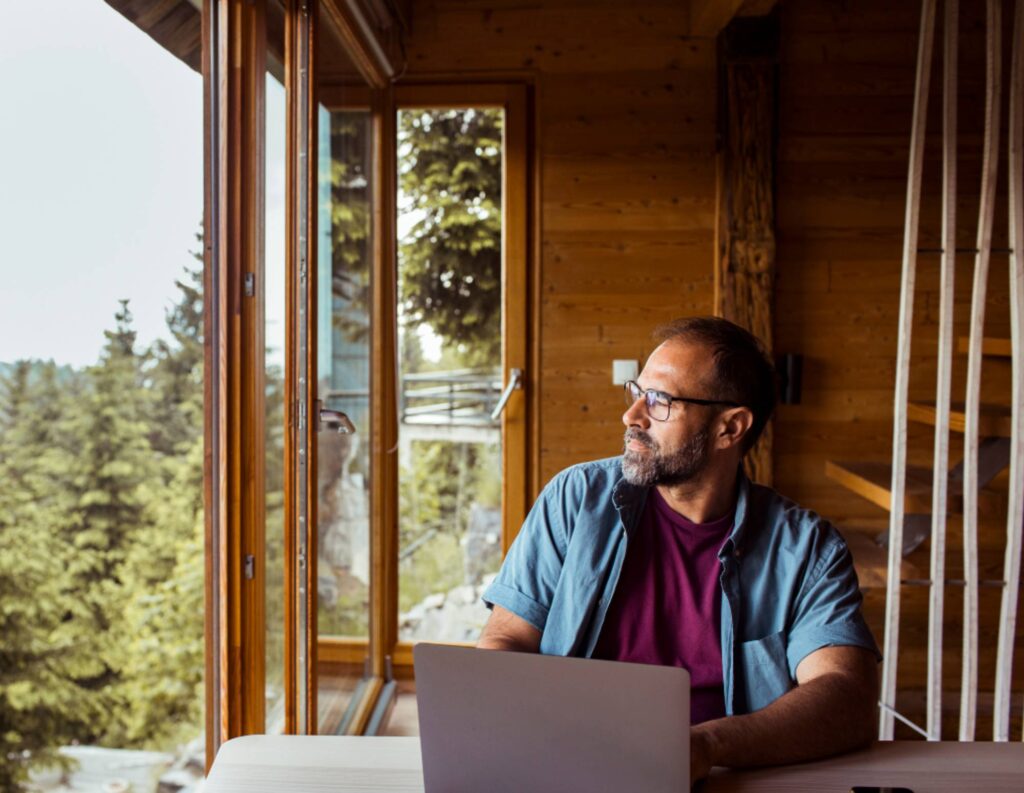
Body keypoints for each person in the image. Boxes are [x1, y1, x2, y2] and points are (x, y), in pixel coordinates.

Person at [477, 316, 879, 787]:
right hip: (570, 766)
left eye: (661, 401)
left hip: (730, 778)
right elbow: (505, 640)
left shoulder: (806, 549)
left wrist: (708, 746)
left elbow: (846, 695)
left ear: (731, 428)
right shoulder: (575, 498)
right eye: (637, 392)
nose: (632, 416)